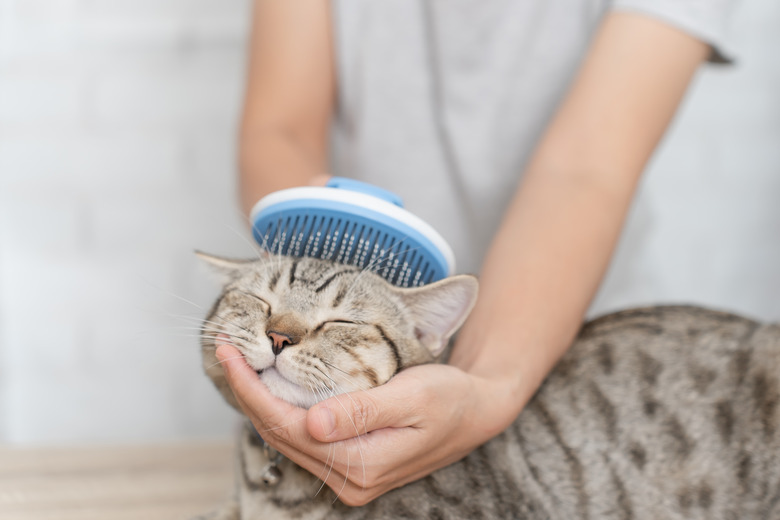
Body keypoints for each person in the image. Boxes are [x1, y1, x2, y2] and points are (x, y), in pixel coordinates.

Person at [215, 0, 736, 507]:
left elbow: (584, 170)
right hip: (352, 359)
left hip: (574, 349)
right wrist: (292, 298)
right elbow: (279, 129)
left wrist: (484, 383)